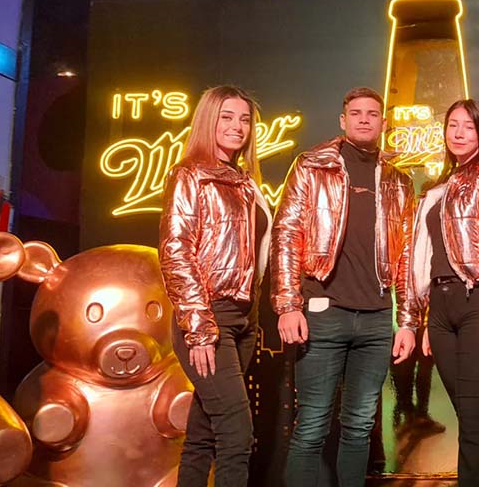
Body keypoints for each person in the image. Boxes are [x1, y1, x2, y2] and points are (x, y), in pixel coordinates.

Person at [271, 86, 420, 487]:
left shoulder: (398, 180)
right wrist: (288, 305)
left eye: (372, 114)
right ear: (343, 120)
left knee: (359, 426)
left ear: (383, 123)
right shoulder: (312, 167)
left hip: (376, 320)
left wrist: (407, 322)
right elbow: (286, 234)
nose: (364, 119)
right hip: (324, 312)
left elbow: (406, 255)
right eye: (356, 113)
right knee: (312, 424)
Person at [159, 85, 273, 487]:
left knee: (203, 433)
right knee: (237, 434)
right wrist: (200, 328)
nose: (237, 126)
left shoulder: (245, 182)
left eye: (244, 119)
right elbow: (176, 251)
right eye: (227, 117)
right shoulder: (190, 175)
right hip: (209, 319)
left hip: (244, 319)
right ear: (208, 119)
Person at [410, 99, 479, 486]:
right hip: (440, 308)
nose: (458, 133)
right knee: (468, 414)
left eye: (468, 127)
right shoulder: (439, 188)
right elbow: (426, 255)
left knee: (473, 412)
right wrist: (425, 317)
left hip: (477, 300)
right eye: (452, 125)